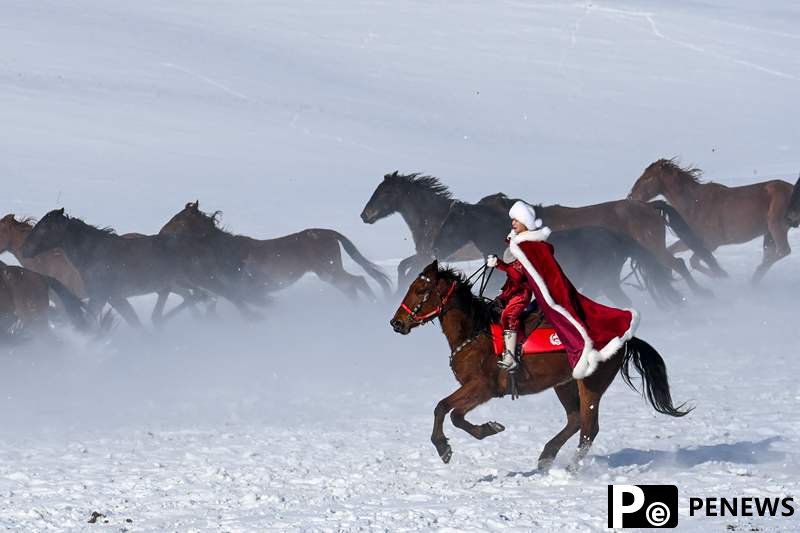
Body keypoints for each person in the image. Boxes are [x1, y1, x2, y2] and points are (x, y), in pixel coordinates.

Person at [488, 201, 639, 379]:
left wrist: (499, 265)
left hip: (534, 292)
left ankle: (511, 356)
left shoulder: (529, 246)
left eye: (517, 220)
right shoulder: (520, 243)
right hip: (527, 290)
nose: (513, 223)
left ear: (526, 223)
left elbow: (519, 272)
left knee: (510, 315)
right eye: (512, 219)